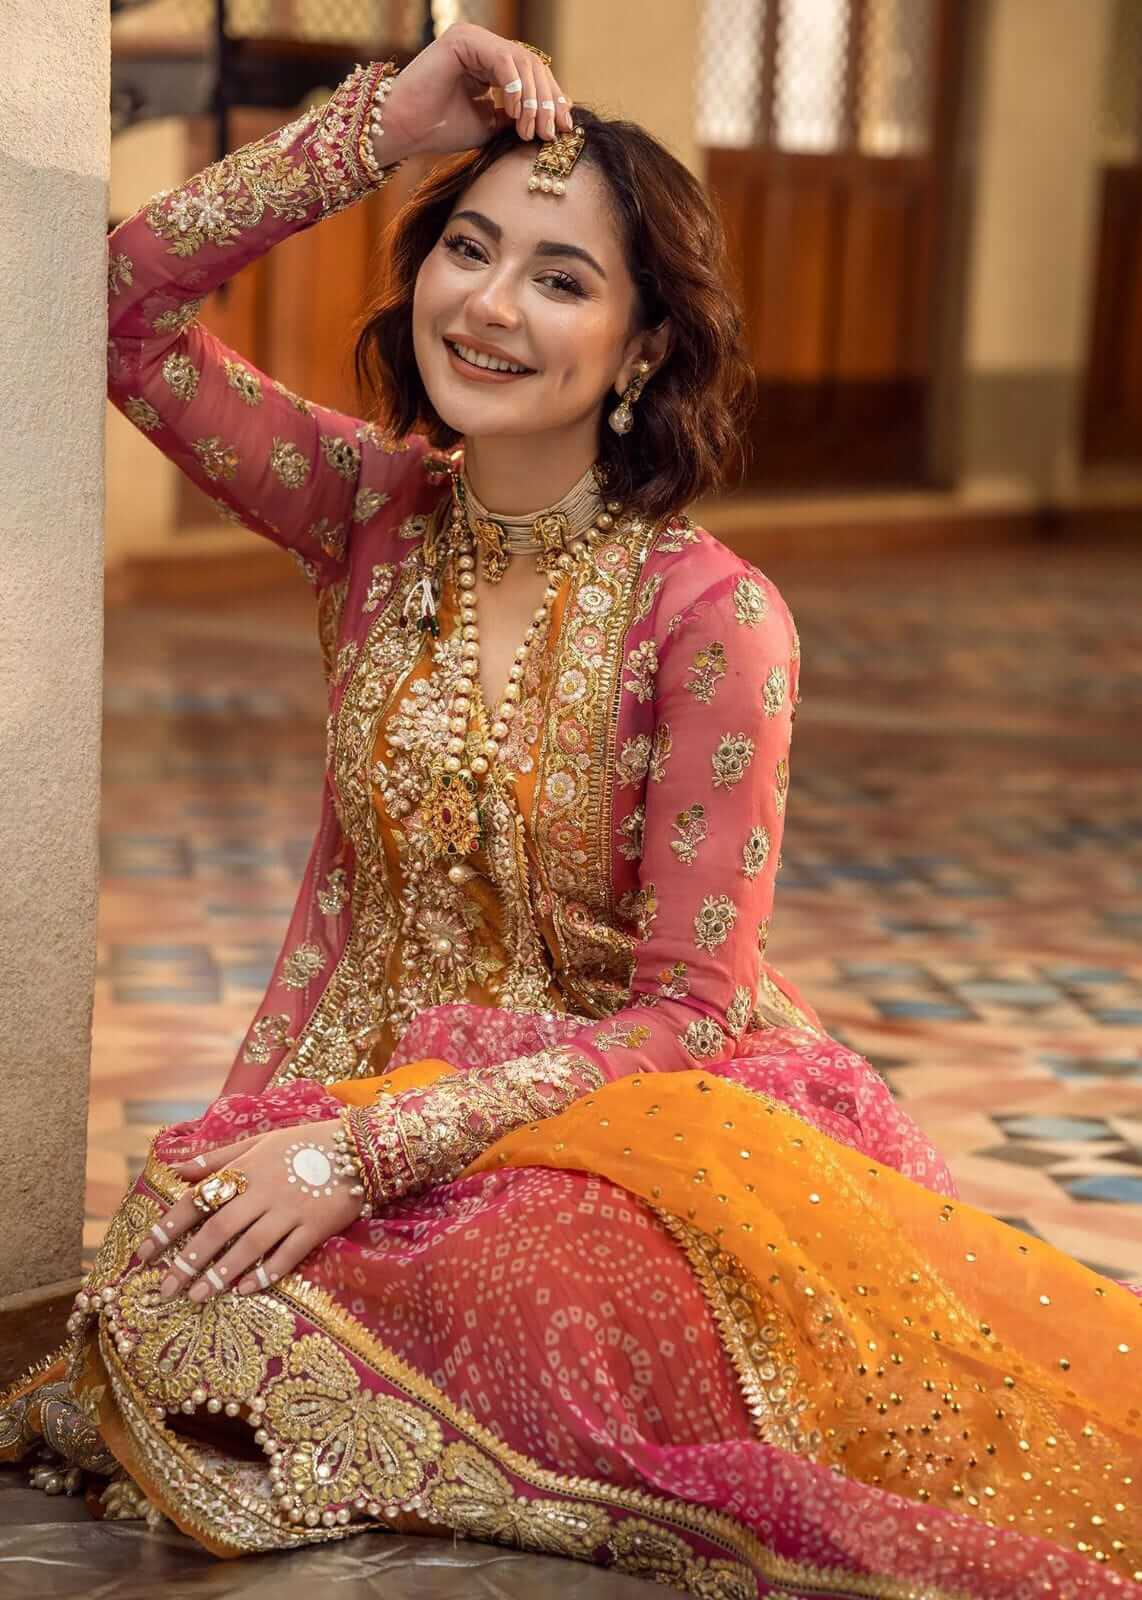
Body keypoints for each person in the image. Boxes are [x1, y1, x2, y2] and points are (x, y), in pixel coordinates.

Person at [2, 23, 1138, 1597]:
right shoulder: (371, 514)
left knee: (525, 1281)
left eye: (559, 278)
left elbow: (687, 1012)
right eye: (467, 251)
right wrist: (377, 131)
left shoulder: (713, 618)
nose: (488, 305)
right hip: (343, 1102)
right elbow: (120, 311)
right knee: (171, 1288)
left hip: (610, 1132)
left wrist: (372, 1159)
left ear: (645, 344)